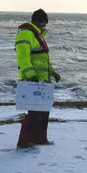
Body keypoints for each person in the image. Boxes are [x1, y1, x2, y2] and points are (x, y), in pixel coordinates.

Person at [15, 8, 61, 148]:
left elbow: (43, 59)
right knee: (34, 114)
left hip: (43, 82)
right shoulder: (26, 34)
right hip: (32, 81)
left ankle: (40, 139)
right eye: (44, 23)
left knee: (44, 112)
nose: (44, 26)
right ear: (38, 21)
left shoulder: (37, 36)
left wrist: (53, 72)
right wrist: (30, 75)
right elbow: (23, 57)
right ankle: (24, 142)